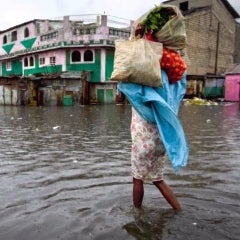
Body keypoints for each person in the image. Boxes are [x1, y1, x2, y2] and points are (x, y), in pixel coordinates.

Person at [117, 4, 189, 211]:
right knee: (158, 179)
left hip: (144, 137)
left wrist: (137, 38)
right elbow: (180, 81)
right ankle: (179, 211)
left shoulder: (144, 77)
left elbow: (126, 83)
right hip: (163, 138)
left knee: (137, 178)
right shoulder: (172, 79)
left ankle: (136, 215)